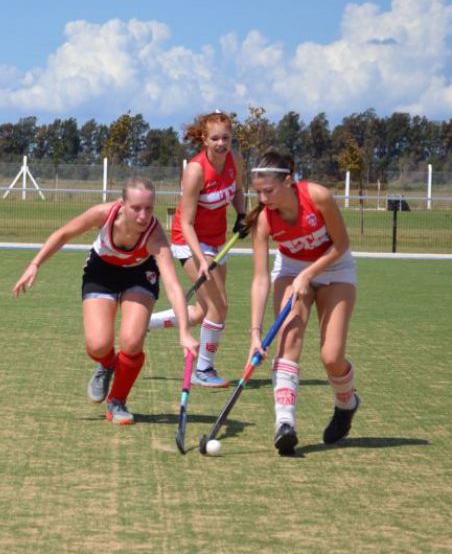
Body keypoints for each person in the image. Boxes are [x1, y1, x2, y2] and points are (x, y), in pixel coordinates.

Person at [12, 177, 198, 425]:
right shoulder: (104, 214)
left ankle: (117, 401)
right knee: (98, 346)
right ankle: (108, 364)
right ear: (122, 204)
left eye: (149, 208)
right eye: (136, 208)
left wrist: (184, 332)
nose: (143, 216)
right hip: (102, 272)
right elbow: (64, 233)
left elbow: (173, 285)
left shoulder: (155, 236)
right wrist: (34, 265)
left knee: (132, 341)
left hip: (140, 276)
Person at [245, 150, 359, 456]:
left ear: (289, 180)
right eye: (258, 193)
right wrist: (255, 331)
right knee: (289, 338)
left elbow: (342, 244)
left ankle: (346, 404)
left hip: (336, 269)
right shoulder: (264, 221)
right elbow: (260, 279)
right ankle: (285, 424)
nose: (264, 199)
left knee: (331, 356)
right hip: (292, 270)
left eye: (268, 191)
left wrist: (308, 274)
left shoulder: (317, 196)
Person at [146, 111, 247, 388]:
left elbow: (238, 190)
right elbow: (187, 223)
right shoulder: (196, 170)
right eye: (215, 138)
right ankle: (203, 369)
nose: (221, 143)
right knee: (220, 306)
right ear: (204, 139)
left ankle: (147, 323)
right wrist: (201, 259)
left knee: (205, 311)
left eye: (226, 138)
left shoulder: (236, 161)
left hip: (217, 239)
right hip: (188, 240)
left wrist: (241, 215)